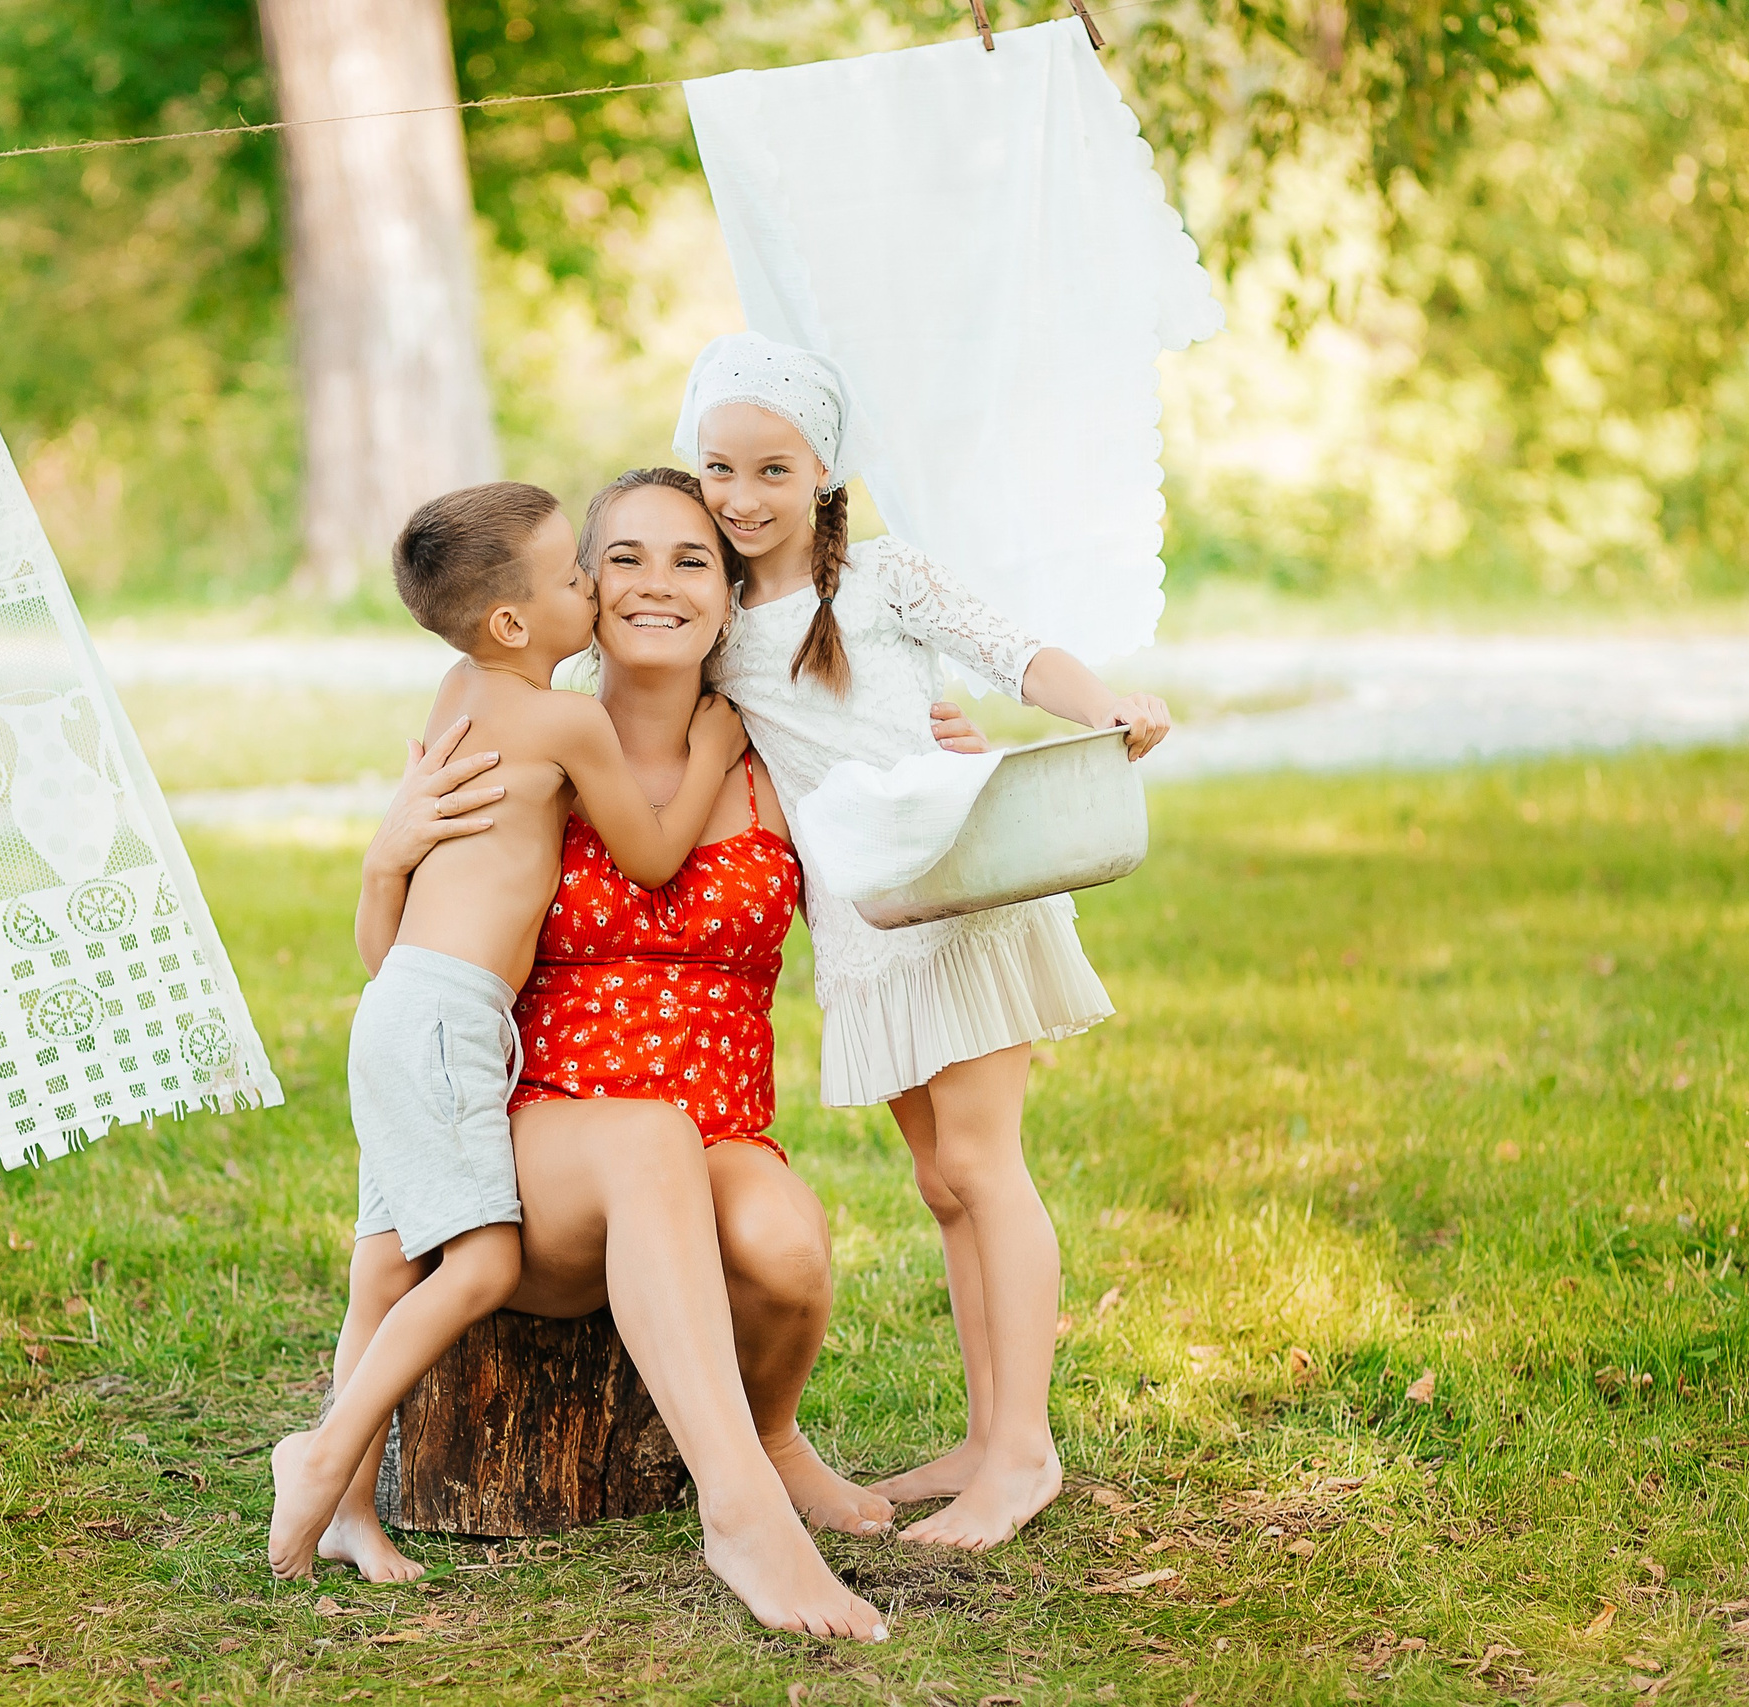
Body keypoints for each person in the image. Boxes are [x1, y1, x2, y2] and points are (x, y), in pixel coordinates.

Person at [318, 469, 984, 1639]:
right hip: (538, 1127)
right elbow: (403, 963)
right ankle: (741, 1522)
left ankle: (772, 1443)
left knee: (784, 1247)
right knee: (642, 1138)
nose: (653, 584)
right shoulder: (512, 730)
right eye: (618, 557)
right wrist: (386, 855)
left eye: (691, 560)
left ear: (731, 597)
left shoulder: (776, 761)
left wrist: (945, 766)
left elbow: (925, 868)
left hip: (714, 1125)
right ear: (576, 588)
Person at [675, 331, 1172, 1552]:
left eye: (774, 471)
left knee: (985, 1164)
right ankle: (982, 1431)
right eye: (720, 469)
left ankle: (1023, 1454)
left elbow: (1017, 652)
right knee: (941, 1183)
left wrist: (1107, 704)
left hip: (957, 889)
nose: (743, 499)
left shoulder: (884, 580)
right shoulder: (712, 615)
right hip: (864, 926)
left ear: (822, 477)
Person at [266, 481, 747, 1581]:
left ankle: (346, 1512)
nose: (595, 586)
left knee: (384, 1269)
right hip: (445, 1020)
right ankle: (323, 1450)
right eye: (577, 575)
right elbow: (654, 854)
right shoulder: (569, 718)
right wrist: (712, 752)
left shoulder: (456, 688)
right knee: (479, 1265)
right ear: (517, 624)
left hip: (403, 1009)